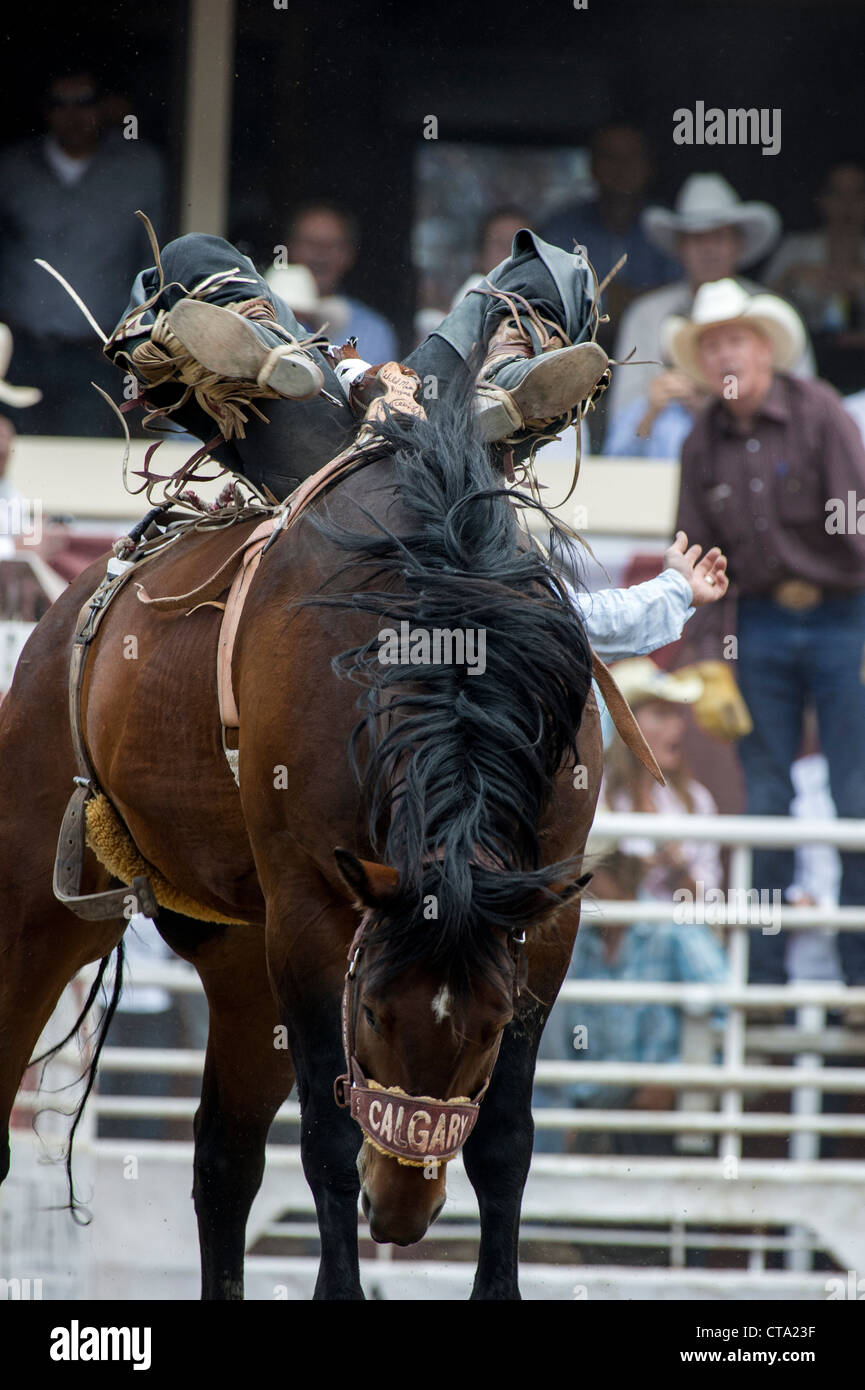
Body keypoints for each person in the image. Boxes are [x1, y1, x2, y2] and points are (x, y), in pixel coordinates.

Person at [103, 225, 612, 500]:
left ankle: (506, 375)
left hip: (433, 437)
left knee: (545, 264)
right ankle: (257, 347)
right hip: (315, 436)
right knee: (191, 250)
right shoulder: (310, 347)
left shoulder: (360, 339)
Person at [671, 277, 865, 994]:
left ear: (763, 351)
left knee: (855, 793)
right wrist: (703, 654)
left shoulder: (819, 413)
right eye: (712, 343)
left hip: (845, 613)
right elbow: (690, 549)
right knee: (766, 796)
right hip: (755, 621)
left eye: (734, 340)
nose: (724, 353)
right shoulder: (701, 441)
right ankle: (765, 980)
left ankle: (855, 978)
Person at [0, 70, 164, 436]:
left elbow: (154, 266)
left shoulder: (139, 169)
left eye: (84, 102)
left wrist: (142, 354)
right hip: (18, 353)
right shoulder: (11, 169)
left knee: (85, 459)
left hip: (98, 354)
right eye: (61, 104)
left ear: (104, 107)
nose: (73, 114)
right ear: (45, 111)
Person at [607, 174, 814, 430]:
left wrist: (723, 401)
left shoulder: (772, 314)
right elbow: (620, 428)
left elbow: (805, 407)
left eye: (718, 237)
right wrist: (654, 404)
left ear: (738, 244)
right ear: (680, 247)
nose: (708, 249)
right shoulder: (645, 315)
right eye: (696, 238)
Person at [541, 125, 679, 317]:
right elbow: (548, 298)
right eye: (610, 157)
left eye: (632, 156)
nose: (622, 167)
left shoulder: (669, 226)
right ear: (592, 165)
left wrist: (624, 301)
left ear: (649, 165)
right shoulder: (562, 229)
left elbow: (684, 294)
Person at [765, 162, 865, 394]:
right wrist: (793, 275)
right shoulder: (795, 249)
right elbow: (760, 309)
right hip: (805, 366)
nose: (847, 204)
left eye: (858, 193)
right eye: (837, 193)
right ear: (823, 199)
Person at [285, 203, 398, 365]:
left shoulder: (375, 332)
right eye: (310, 243)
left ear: (349, 254)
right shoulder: (265, 317)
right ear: (291, 248)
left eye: (331, 245)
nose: (320, 255)